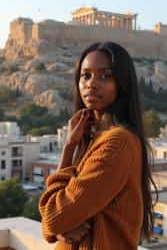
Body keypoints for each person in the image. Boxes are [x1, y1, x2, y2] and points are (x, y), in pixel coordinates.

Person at [39, 42, 157, 250]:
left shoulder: (117, 143)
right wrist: (69, 147)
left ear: (122, 84)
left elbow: (52, 216)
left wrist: (57, 224)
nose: (91, 84)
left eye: (105, 76)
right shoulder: (92, 137)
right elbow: (57, 217)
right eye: (86, 75)